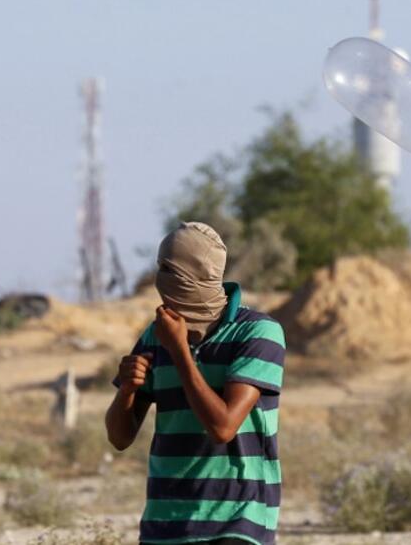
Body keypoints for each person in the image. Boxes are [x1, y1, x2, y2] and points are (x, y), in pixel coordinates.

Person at [105, 222, 285, 545]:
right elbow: (119, 437)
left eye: (170, 270)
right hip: (165, 525)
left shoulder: (258, 333)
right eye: (159, 267)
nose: (161, 279)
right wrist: (128, 392)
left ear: (196, 276)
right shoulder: (155, 335)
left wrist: (179, 353)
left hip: (236, 523)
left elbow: (223, 427)